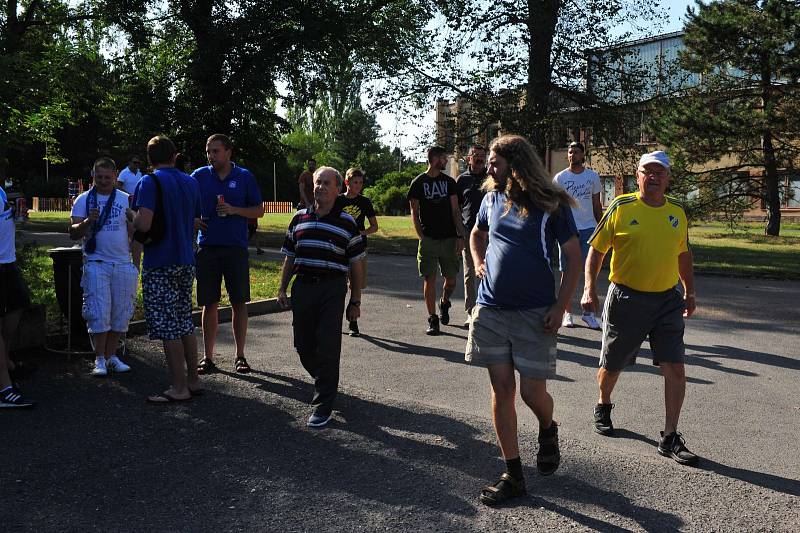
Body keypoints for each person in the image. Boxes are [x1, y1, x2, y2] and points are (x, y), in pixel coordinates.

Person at [467, 135, 580, 506]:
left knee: (532, 393)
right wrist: (478, 261)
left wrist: (562, 306)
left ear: (515, 164)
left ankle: (548, 427)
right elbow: (476, 234)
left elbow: (573, 258)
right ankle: (513, 474)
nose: (489, 168)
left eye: (496, 162)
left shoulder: (550, 204)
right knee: (502, 390)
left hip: (535, 312)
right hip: (491, 309)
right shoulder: (490, 198)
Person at [582, 150, 698, 466]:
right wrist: (590, 287)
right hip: (626, 298)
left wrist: (689, 292)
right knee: (613, 363)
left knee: (674, 366)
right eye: (647, 171)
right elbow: (596, 251)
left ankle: (670, 435)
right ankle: (603, 403)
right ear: (638, 176)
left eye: (659, 171)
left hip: (667, 300)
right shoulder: (621, 207)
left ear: (668, 177)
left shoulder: (677, 211)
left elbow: (683, 254)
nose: (654, 176)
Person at [277, 166, 365, 428]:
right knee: (303, 345)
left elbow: (356, 266)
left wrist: (355, 301)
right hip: (303, 287)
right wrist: (282, 287)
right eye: (318, 182)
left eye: (327, 183)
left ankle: (323, 403)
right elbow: (289, 256)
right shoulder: (299, 218)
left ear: (338, 189)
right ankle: (326, 381)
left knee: (327, 345)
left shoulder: (347, 222)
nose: (321, 187)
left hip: (332, 287)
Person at [133, 135, 203, 403]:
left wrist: (132, 219)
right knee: (184, 321)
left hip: (160, 261)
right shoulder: (190, 181)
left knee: (167, 325)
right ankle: (194, 380)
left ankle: (178, 387)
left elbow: (145, 224)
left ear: (149, 159)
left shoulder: (149, 182)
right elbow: (194, 218)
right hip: (186, 259)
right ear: (174, 156)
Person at [192, 134, 264, 375]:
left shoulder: (244, 177)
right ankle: (207, 357)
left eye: (216, 151)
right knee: (209, 303)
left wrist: (235, 210)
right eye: (208, 151)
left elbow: (259, 210)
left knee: (238, 302)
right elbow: (184, 203)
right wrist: (192, 220)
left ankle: (240, 355)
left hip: (235, 248)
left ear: (228, 152)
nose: (211, 156)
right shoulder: (199, 176)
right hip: (208, 247)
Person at [69, 157, 138, 376]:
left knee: (121, 312)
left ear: (116, 176)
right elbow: (72, 233)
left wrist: (135, 264)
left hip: (122, 262)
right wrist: (88, 221)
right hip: (96, 261)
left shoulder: (126, 199)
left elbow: (137, 232)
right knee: (98, 311)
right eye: (99, 177)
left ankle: (112, 356)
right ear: (93, 175)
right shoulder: (83, 199)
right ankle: (99, 358)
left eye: (108, 177)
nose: (103, 181)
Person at [407, 146, 467, 335]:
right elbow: (414, 213)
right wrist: (422, 237)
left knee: (451, 280)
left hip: (449, 238)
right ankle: (432, 319)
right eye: (443, 158)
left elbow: (456, 211)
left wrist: (461, 236)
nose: (446, 161)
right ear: (434, 159)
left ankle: (444, 302)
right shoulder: (417, 183)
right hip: (429, 240)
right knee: (429, 278)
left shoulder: (449, 182)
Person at [553, 141, 603, 329]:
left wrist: (601, 229)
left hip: (589, 229)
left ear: (583, 155)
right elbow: (554, 206)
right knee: (567, 273)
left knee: (590, 273)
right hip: (567, 231)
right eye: (570, 152)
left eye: (576, 152)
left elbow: (597, 206)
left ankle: (589, 314)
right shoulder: (560, 178)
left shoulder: (592, 177)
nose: (572, 154)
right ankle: (567, 313)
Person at [0, 184, 35, 408]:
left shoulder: (1, 191)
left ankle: (7, 364)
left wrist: (12, 214)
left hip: (7, 261)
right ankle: (4, 389)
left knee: (17, 306)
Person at [335, 168, 378, 337]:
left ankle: (353, 321)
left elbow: (374, 226)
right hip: (339, 247)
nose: (358, 186)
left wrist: (362, 233)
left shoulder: (365, 202)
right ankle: (335, 318)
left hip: (359, 249)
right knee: (338, 284)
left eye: (361, 183)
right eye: (355, 182)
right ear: (347, 183)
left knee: (356, 284)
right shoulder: (337, 201)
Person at [455, 144, 487, 326]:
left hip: (490, 231)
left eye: (483, 155)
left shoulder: (492, 178)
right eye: (476, 155)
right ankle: (471, 311)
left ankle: (487, 310)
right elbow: (456, 209)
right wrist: (459, 233)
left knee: (489, 271)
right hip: (468, 232)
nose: (480, 158)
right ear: (469, 158)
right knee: (470, 273)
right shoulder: (462, 180)